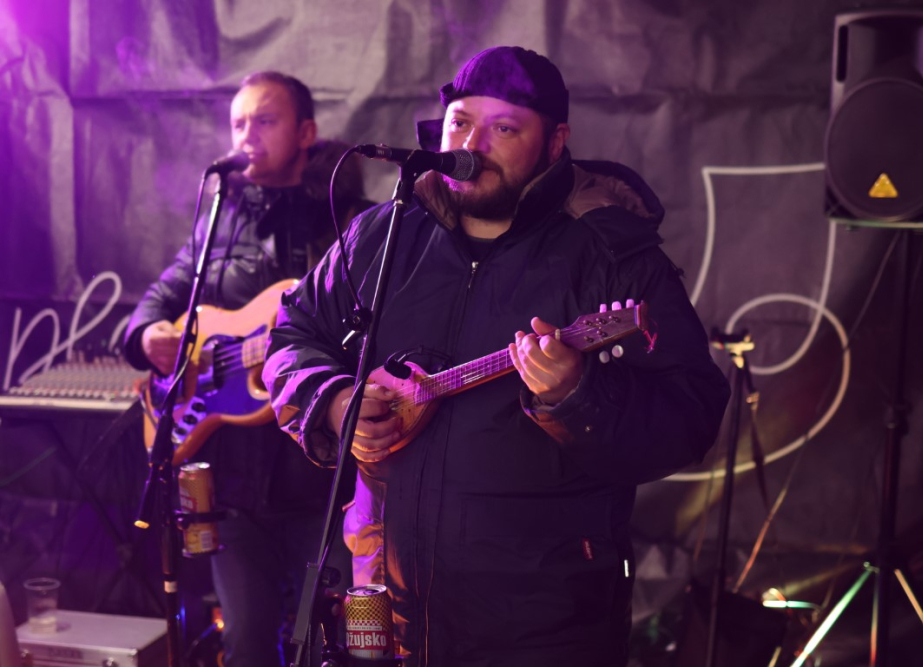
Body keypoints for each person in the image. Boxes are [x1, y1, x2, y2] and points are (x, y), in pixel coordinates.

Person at [263, 47, 730, 667]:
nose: (472, 144)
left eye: (504, 128)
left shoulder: (612, 253)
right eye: (460, 123)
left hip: (545, 626)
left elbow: (690, 416)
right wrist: (333, 402)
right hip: (384, 601)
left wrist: (576, 396)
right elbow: (292, 335)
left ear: (555, 141)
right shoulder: (384, 235)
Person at [123, 71, 370, 667]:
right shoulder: (218, 222)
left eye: (265, 121)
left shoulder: (353, 224)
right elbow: (157, 303)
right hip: (234, 489)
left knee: (329, 644)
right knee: (247, 645)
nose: (247, 135)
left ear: (306, 132)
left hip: (322, 484)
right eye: (238, 123)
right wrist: (148, 336)